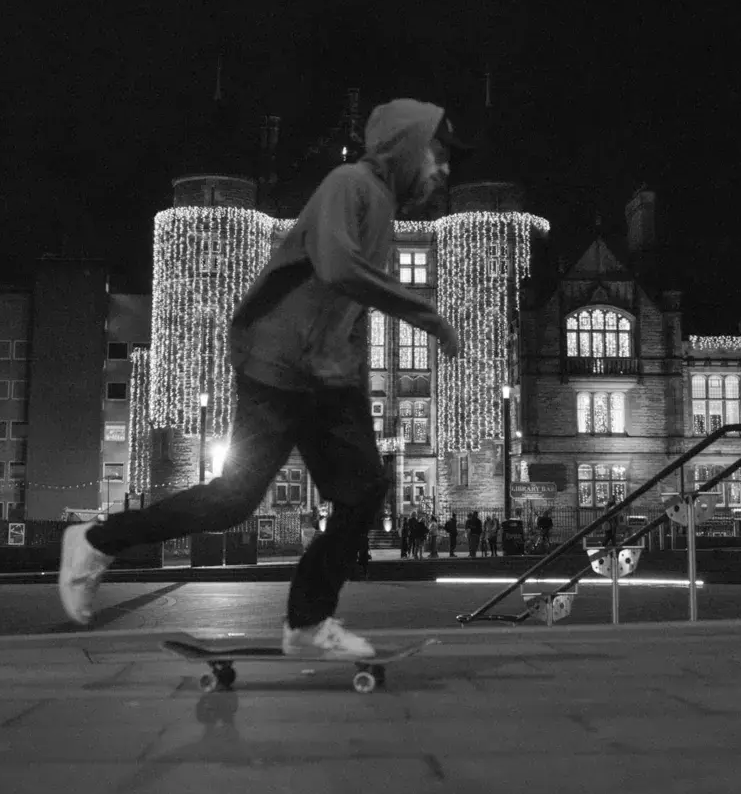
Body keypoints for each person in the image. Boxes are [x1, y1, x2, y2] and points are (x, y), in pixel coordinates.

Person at [57, 99, 465, 659]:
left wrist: (352, 382)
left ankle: (307, 621)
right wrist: (429, 315)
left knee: (364, 492)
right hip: (277, 366)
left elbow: (345, 309)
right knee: (233, 500)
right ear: (408, 149)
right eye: (437, 155)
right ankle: (94, 540)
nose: (444, 169)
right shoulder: (348, 184)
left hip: (325, 376)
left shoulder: (383, 210)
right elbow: (337, 266)